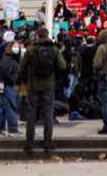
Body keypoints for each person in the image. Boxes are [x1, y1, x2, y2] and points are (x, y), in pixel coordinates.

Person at [19, 27, 66, 155]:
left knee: (31, 114)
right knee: (48, 114)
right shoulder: (54, 50)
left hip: (33, 85)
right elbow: (62, 66)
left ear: (37, 36)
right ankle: (48, 142)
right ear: (47, 35)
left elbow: (22, 67)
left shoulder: (30, 50)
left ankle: (29, 143)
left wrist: (22, 81)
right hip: (49, 85)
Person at [0, 40, 21, 136]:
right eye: (15, 46)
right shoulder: (8, 58)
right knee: (11, 106)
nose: (17, 48)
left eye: (18, 46)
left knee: (4, 106)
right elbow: (5, 72)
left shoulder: (10, 58)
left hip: (5, 84)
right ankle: (13, 128)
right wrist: (13, 80)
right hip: (7, 85)